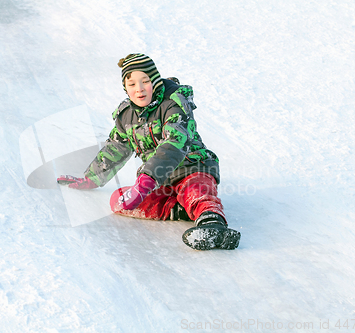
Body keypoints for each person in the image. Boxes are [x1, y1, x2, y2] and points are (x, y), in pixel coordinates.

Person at [57, 53, 240, 250]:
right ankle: (181, 209)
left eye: (145, 81)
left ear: (155, 81)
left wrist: (145, 181)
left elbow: (174, 143)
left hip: (193, 167)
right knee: (118, 200)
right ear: (125, 88)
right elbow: (115, 148)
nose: (140, 89)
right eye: (132, 84)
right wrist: (91, 178)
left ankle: (212, 223)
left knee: (195, 189)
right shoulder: (126, 115)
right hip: (161, 182)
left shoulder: (174, 104)